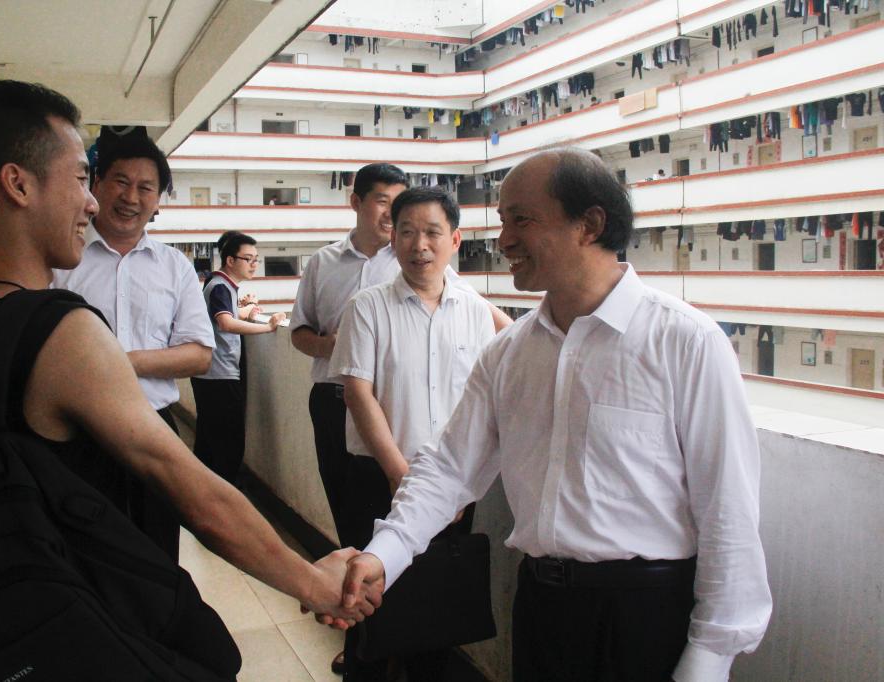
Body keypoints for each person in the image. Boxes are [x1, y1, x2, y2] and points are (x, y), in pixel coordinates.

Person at [0, 81, 374, 665]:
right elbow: (198, 495)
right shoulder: (59, 332)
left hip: (10, 625)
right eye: (81, 178)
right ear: (18, 184)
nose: (92, 202)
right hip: (83, 627)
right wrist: (314, 582)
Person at [341, 148, 772, 682]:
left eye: (521, 220)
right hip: (542, 610)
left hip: (645, 616)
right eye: (503, 221)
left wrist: (709, 657)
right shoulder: (509, 352)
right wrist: (383, 555)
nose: (504, 241)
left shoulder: (684, 342)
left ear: (589, 224)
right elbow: (449, 468)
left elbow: (727, 507)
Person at [289, 163, 512, 675]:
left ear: (454, 240)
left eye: (432, 232)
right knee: (365, 599)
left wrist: (456, 485)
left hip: (453, 485)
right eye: (407, 232)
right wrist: (398, 471)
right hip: (377, 472)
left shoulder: (473, 309)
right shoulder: (367, 307)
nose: (419, 245)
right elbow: (358, 393)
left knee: (437, 601)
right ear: (394, 241)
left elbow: (486, 395)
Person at [52, 132, 211, 561]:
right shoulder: (61, 261)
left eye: (146, 188)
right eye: (121, 182)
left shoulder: (175, 267)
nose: (131, 197)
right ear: (97, 184)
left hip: (155, 428)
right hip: (75, 432)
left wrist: (121, 363)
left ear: (158, 200)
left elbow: (199, 353)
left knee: (156, 550)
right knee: (83, 552)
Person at [191, 230, 285, 484]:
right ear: (230, 260)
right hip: (219, 375)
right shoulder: (221, 286)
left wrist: (247, 310)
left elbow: (228, 315)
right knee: (227, 442)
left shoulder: (218, 283)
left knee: (209, 440)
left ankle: (204, 490)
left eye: (256, 259)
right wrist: (268, 327)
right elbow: (225, 323)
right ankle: (223, 492)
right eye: (248, 259)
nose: (254, 264)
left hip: (210, 374)